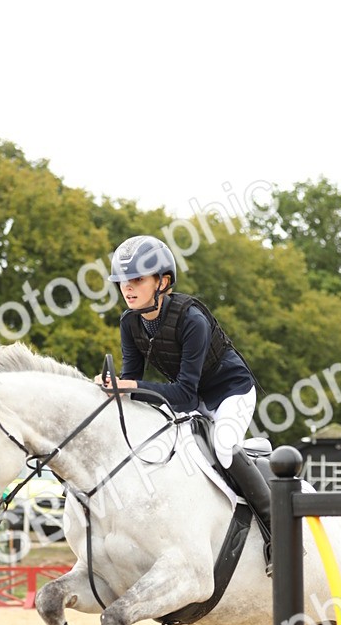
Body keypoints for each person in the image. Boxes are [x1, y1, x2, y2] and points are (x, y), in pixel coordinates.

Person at [96, 234, 273, 573]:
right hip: (189, 396)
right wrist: (116, 390)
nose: (128, 289)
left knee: (222, 447)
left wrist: (128, 386)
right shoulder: (129, 322)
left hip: (229, 393)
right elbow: (133, 381)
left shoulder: (192, 319)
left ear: (162, 282)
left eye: (137, 280)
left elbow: (184, 395)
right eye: (123, 282)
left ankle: (275, 532)